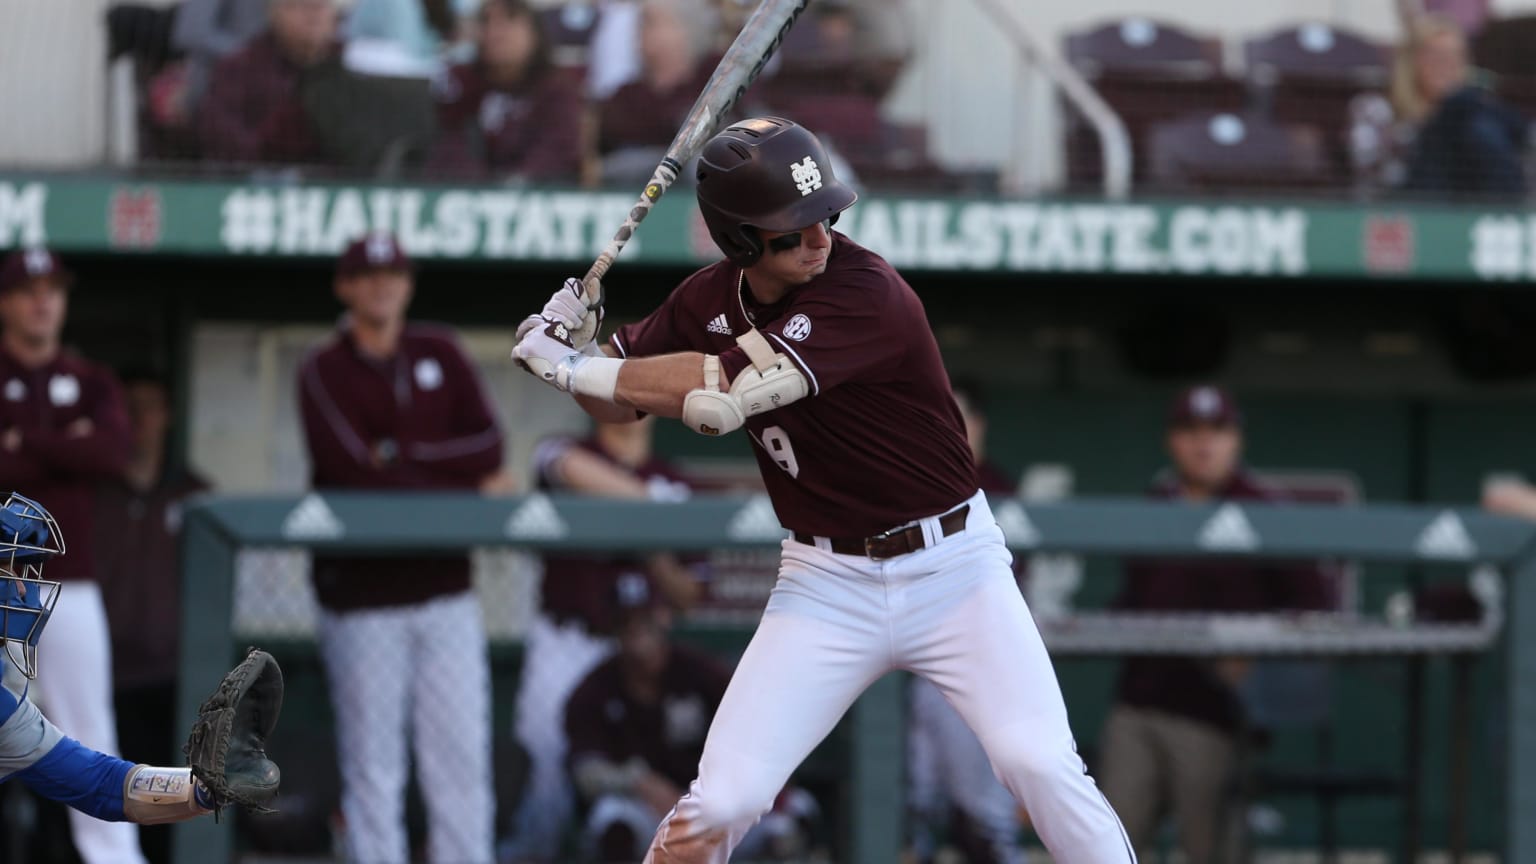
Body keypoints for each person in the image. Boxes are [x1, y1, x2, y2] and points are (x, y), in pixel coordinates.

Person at [510, 116, 1134, 863]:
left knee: (1039, 764)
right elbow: (615, 400)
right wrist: (565, 341)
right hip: (826, 581)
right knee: (726, 799)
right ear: (742, 242)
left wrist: (570, 367)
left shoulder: (868, 293)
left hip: (953, 567)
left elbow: (725, 395)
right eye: (792, 227)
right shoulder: (707, 299)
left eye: (825, 214)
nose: (819, 236)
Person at [297, 231, 505, 864]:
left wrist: (402, 454)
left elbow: (491, 447)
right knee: (374, 769)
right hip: (363, 601)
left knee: (462, 761)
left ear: (409, 282)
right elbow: (351, 470)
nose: (383, 285)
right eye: (368, 275)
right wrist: (455, 477)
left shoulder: (439, 348)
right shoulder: (324, 367)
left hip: (446, 590)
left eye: (393, 273)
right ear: (346, 287)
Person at [1096, 385, 1335, 864]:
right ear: (1171, 441)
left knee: (1213, 851)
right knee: (1102, 847)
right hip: (1137, 705)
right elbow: (1133, 598)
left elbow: (1316, 604)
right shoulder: (1155, 505)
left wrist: (1258, 652)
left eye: (1217, 431)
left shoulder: (1264, 508)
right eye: (1191, 431)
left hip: (1213, 714)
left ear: (1237, 439)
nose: (1204, 444)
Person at [0, 492, 277, 826]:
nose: (19, 589)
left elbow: (104, 784)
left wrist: (205, 788)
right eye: (3, 571)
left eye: (18, 570)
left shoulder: (6, 709)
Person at [0, 247, 141, 864]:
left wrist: (25, 441)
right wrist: (67, 446)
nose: (42, 299)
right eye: (28, 288)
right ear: (5, 301)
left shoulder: (91, 382)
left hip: (70, 584)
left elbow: (112, 455)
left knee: (89, 740)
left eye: (53, 288)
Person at [506, 416, 699, 862]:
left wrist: (651, 544)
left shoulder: (672, 477)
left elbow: (688, 595)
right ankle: (537, 853)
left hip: (641, 650)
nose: (628, 405)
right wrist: (653, 508)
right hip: (570, 638)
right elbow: (567, 468)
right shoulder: (565, 449)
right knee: (546, 757)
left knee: (639, 775)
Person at [907, 375, 1027, 864]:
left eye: (958, 416)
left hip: (983, 667)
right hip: (908, 667)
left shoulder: (1001, 491)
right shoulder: (900, 484)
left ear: (978, 424)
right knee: (912, 810)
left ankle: (987, 833)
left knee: (985, 822)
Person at [93, 370, 211, 864]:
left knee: (171, 805)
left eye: (151, 407)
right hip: (105, 678)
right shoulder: (92, 492)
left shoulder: (195, 493)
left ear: (167, 415)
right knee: (103, 802)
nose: (141, 421)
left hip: (176, 683)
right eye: (130, 407)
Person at [563, 580, 730, 862]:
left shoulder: (701, 673)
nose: (637, 632)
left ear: (662, 618)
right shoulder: (595, 689)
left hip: (710, 800)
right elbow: (585, 771)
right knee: (613, 821)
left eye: (645, 620)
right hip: (641, 806)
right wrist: (637, 781)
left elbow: (749, 734)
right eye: (627, 623)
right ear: (614, 629)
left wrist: (708, 791)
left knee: (786, 822)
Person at [427, 0, 582, 182]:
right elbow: (449, 141)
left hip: (538, 196)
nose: (495, 33)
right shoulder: (463, 83)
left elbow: (558, 150)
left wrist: (515, 184)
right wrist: (478, 186)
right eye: (486, 21)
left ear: (534, 32)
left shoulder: (558, 88)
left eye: (509, 21)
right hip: (469, 194)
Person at [1393, 13, 1528, 199]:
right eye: (1435, 55)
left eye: (1455, 56)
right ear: (1411, 61)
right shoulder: (1385, 115)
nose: (1445, 64)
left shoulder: (1483, 118)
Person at [198, 0, 343, 166]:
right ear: (273, 14)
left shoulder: (354, 66)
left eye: (321, 6)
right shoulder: (240, 69)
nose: (314, 15)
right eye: (301, 6)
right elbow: (223, 141)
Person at [591, 0, 716, 185]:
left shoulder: (712, 81)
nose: (639, 32)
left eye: (651, 23)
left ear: (685, 30)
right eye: (640, 24)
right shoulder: (625, 96)